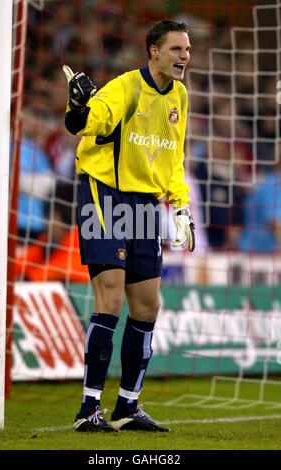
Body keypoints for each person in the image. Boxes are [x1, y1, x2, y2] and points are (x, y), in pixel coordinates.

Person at [63, 20, 195, 433]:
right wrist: (78, 106)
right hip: (105, 193)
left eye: (187, 50)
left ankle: (127, 407)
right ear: (154, 51)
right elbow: (85, 123)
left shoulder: (180, 95)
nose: (184, 56)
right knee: (111, 297)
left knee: (148, 305)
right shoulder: (125, 87)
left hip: (144, 200)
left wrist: (181, 205)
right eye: (176, 49)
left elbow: (173, 156)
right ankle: (88, 410)